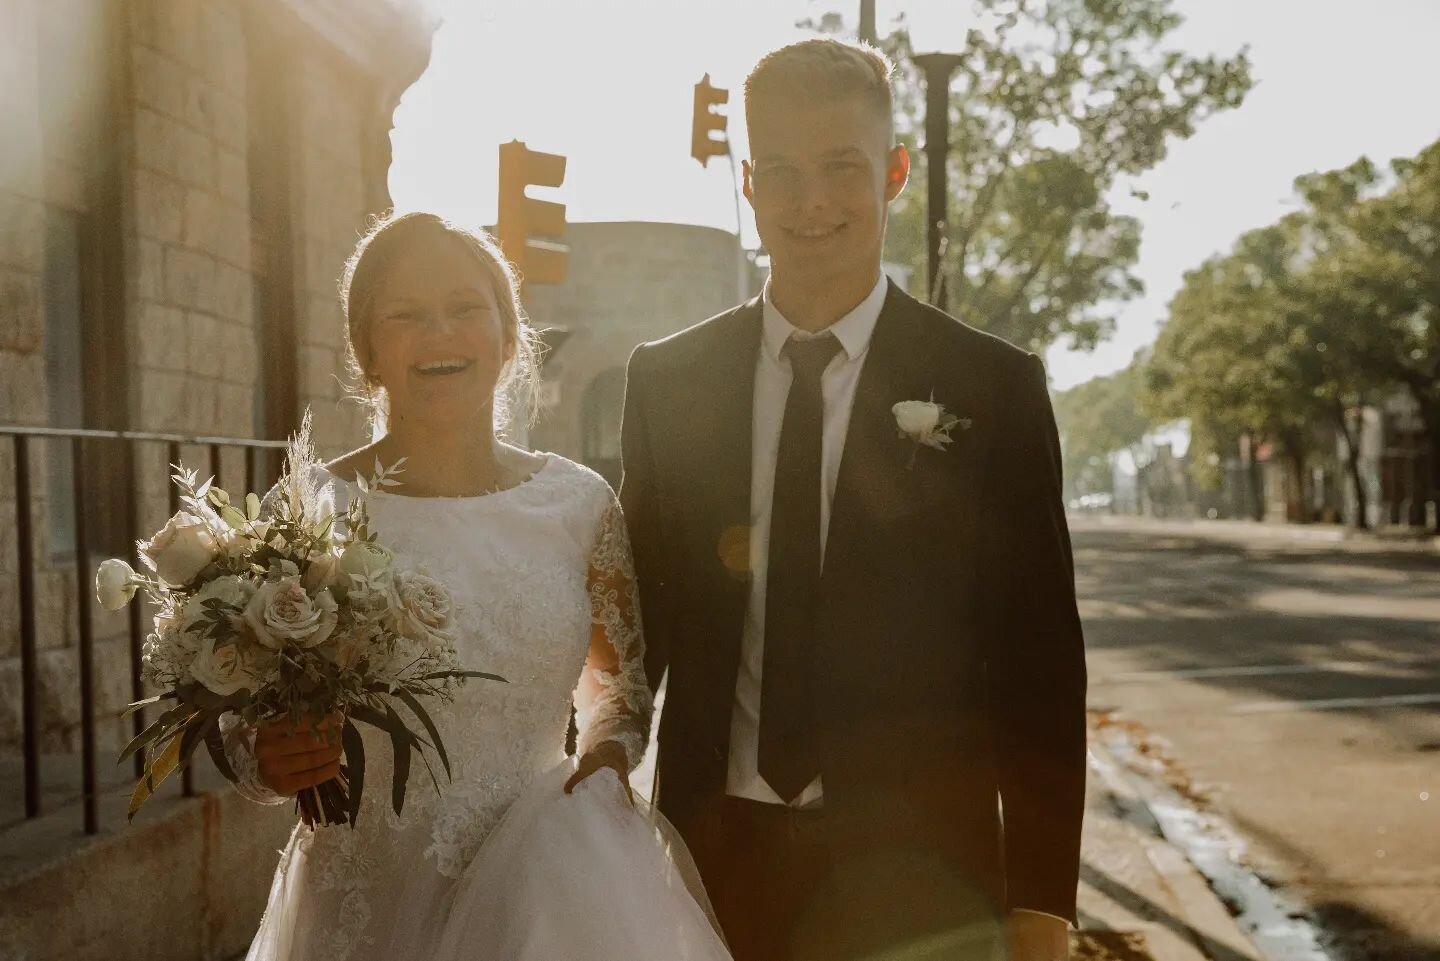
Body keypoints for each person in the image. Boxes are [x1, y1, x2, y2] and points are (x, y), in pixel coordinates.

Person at [621, 38, 1087, 961]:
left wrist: (1040, 901)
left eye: (843, 168)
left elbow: (1038, 665)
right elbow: (636, 628)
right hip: (709, 867)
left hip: (920, 878)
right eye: (784, 173)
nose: (813, 202)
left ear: (896, 172)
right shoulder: (667, 381)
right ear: (748, 181)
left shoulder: (993, 388)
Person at [224, 211, 730, 961]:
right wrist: (264, 758)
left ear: (507, 336)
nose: (440, 334)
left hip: (547, 896)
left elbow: (618, 692)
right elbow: (243, 720)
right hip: (364, 899)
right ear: (367, 350)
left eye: (465, 308)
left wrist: (606, 759)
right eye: (407, 315)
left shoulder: (579, 505)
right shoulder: (308, 510)